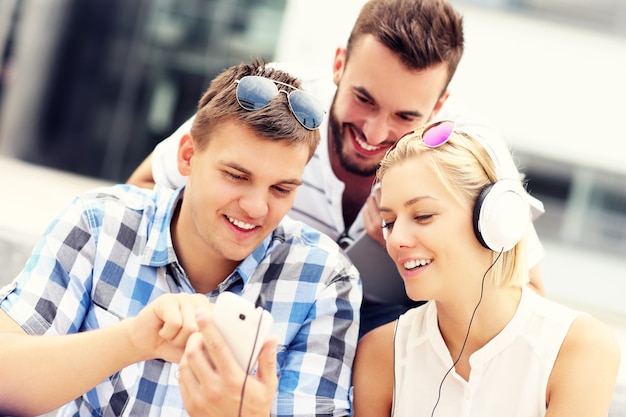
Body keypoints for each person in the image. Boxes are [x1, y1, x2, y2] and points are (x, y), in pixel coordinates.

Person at [126, 0, 546, 337]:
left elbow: (526, 296)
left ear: (438, 106)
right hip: (254, 308)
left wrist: (413, 244)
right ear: (339, 64)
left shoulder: (471, 150)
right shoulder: (278, 100)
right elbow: (144, 186)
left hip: (398, 329)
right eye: (364, 99)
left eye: (405, 116)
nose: (375, 131)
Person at [0, 60, 361, 417]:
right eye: (236, 176)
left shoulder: (323, 280)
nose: (256, 207)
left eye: (281, 188)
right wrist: (134, 341)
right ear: (188, 155)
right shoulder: (100, 223)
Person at [351, 120, 620, 417]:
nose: (397, 239)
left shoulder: (579, 348)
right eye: (390, 222)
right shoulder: (380, 353)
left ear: (493, 218)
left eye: (423, 215)